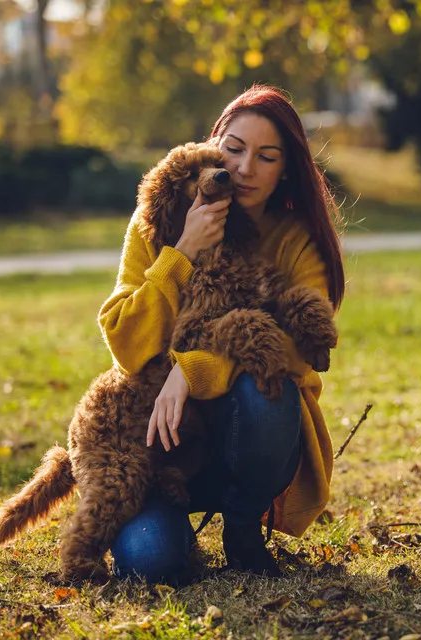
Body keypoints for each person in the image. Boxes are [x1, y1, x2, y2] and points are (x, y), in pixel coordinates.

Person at [97, 84, 345, 582]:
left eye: (266, 156)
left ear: (286, 168)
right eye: (233, 149)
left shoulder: (297, 238)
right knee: (150, 563)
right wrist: (182, 253)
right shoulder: (157, 220)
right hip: (159, 444)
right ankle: (169, 524)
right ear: (213, 147)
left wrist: (193, 370)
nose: (244, 168)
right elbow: (125, 344)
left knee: (268, 383)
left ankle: (242, 524)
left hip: (254, 443)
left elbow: (297, 351)